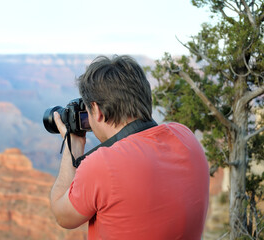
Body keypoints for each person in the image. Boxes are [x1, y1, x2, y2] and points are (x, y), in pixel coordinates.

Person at [50, 55, 209, 240]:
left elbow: (63, 216)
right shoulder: (184, 136)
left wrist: (73, 146)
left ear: (98, 111)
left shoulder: (103, 164)